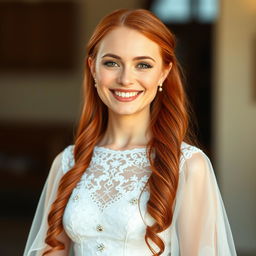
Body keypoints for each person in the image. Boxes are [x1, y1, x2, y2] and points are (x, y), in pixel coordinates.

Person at [23, 8, 237, 256]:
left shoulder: (188, 165)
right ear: (93, 68)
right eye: (112, 63)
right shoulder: (67, 163)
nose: (126, 79)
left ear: (164, 72)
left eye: (143, 64)